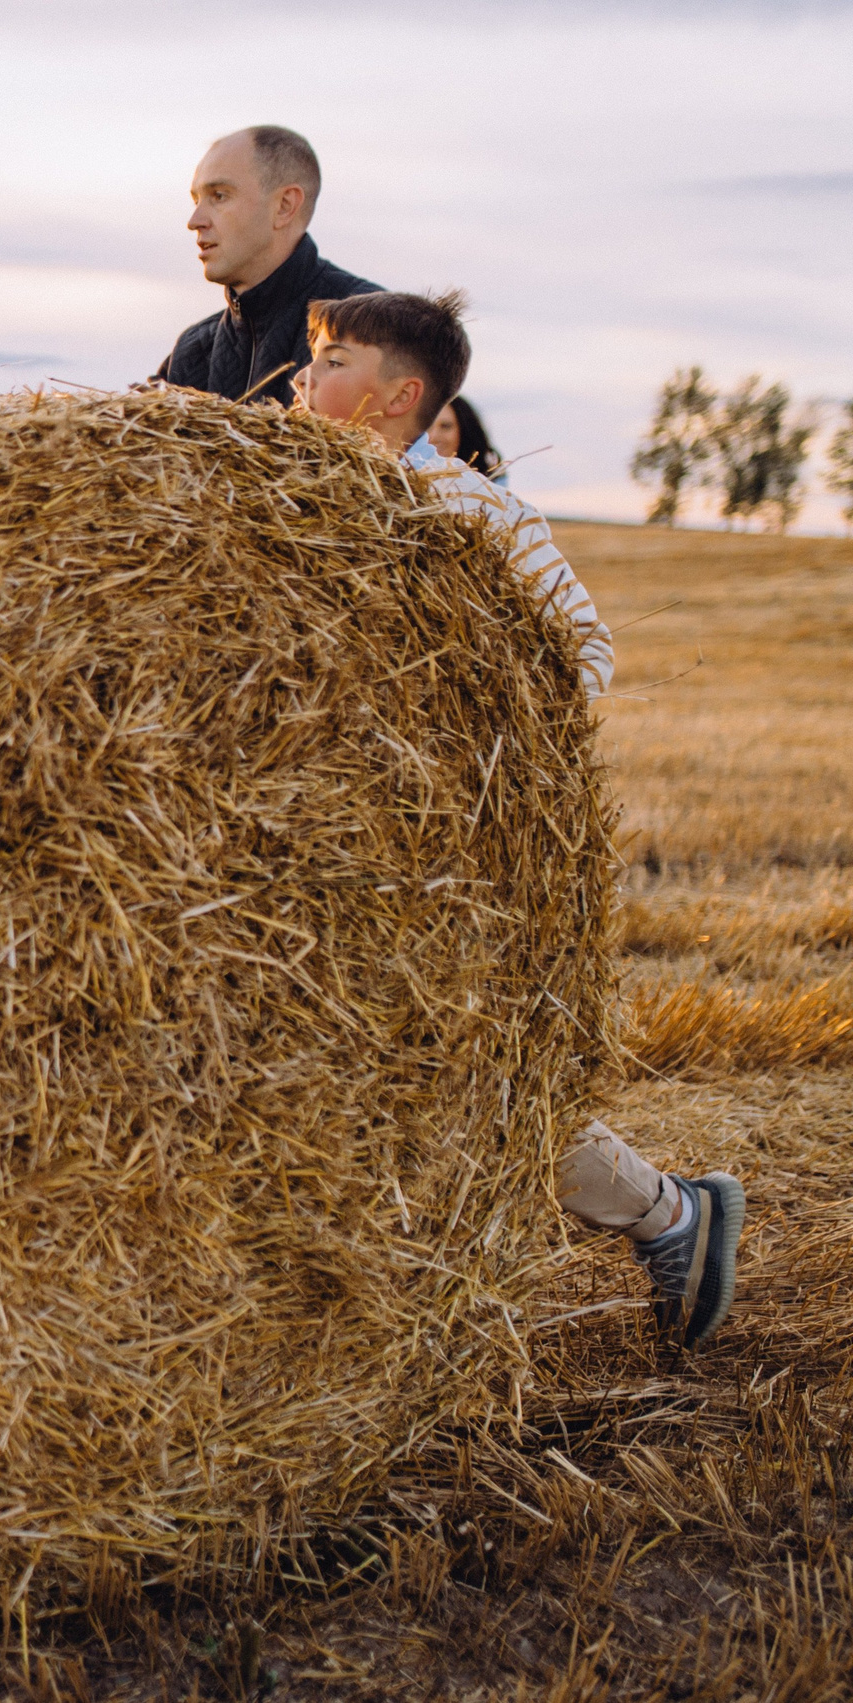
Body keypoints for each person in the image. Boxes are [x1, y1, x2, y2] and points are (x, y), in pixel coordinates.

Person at [291, 289, 744, 1348]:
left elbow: (584, 648)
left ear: (399, 395)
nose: (305, 377)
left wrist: (478, 753)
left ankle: (670, 1213)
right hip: (329, 836)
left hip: (442, 845)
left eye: (334, 361)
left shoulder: (471, 510)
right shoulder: (295, 497)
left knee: (454, 1072)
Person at [156, 126, 380, 406]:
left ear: (285, 206)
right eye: (196, 200)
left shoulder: (372, 326)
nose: (195, 221)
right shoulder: (192, 351)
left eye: (219, 196)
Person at [428, 393, 507, 483]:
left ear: (465, 430)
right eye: (426, 427)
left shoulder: (490, 487)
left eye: (445, 426)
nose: (433, 436)